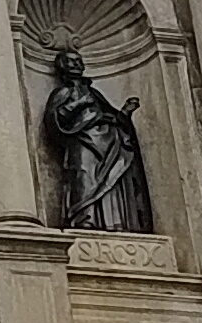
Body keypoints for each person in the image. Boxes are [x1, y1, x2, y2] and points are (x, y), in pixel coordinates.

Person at [42, 51, 152, 232]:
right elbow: (56, 119)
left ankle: (115, 222)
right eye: (70, 62)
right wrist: (81, 103)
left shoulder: (94, 93)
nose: (76, 65)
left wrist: (124, 112)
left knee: (112, 181)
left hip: (109, 143)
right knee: (84, 177)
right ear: (62, 66)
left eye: (78, 61)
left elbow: (112, 116)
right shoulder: (62, 92)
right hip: (82, 144)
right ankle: (85, 220)